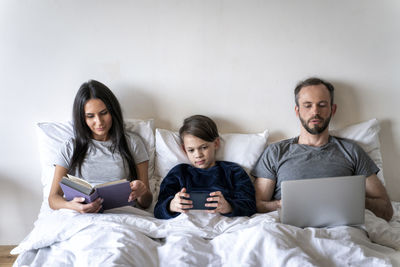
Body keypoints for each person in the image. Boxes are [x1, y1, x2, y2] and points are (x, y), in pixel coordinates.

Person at [252, 77, 393, 221]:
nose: (315, 112)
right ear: (297, 111)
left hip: (342, 229)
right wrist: (280, 204)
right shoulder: (275, 152)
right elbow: (257, 204)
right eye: (307, 105)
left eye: (322, 105)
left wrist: (353, 200)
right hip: (289, 229)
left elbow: (386, 210)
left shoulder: (352, 151)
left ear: (332, 109)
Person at [48, 80, 153, 213]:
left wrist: (142, 191)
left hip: (123, 216)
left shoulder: (133, 143)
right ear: (82, 118)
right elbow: (53, 199)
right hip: (82, 216)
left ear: (113, 111)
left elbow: (146, 202)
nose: (99, 122)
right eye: (90, 116)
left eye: (104, 113)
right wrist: (74, 206)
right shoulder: (70, 147)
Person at [154, 115, 256, 219]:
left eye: (203, 147)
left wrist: (229, 207)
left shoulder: (233, 171)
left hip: (224, 225)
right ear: (184, 149)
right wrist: (171, 205)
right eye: (191, 150)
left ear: (216, 143)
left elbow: (251, 206)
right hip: (186, 225)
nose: (198, 155)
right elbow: (158, 210)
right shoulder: (179, 173)